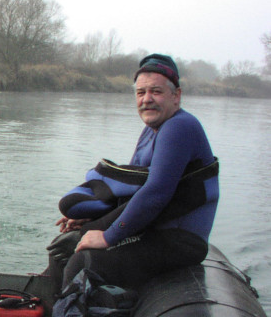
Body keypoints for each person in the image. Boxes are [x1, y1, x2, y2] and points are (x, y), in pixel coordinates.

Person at [49, 53, 219, 291]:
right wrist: (92, 219)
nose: (147, 99)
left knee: (83, 262)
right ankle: (54, 316)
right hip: (154, 231)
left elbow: (155, 193)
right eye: (141, 93)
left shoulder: (179, 126)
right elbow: (133, 191)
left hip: (180, 241)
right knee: (64, 246)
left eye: (156, 92)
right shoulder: (153, 129)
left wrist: (108, 237)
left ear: (176, 96)